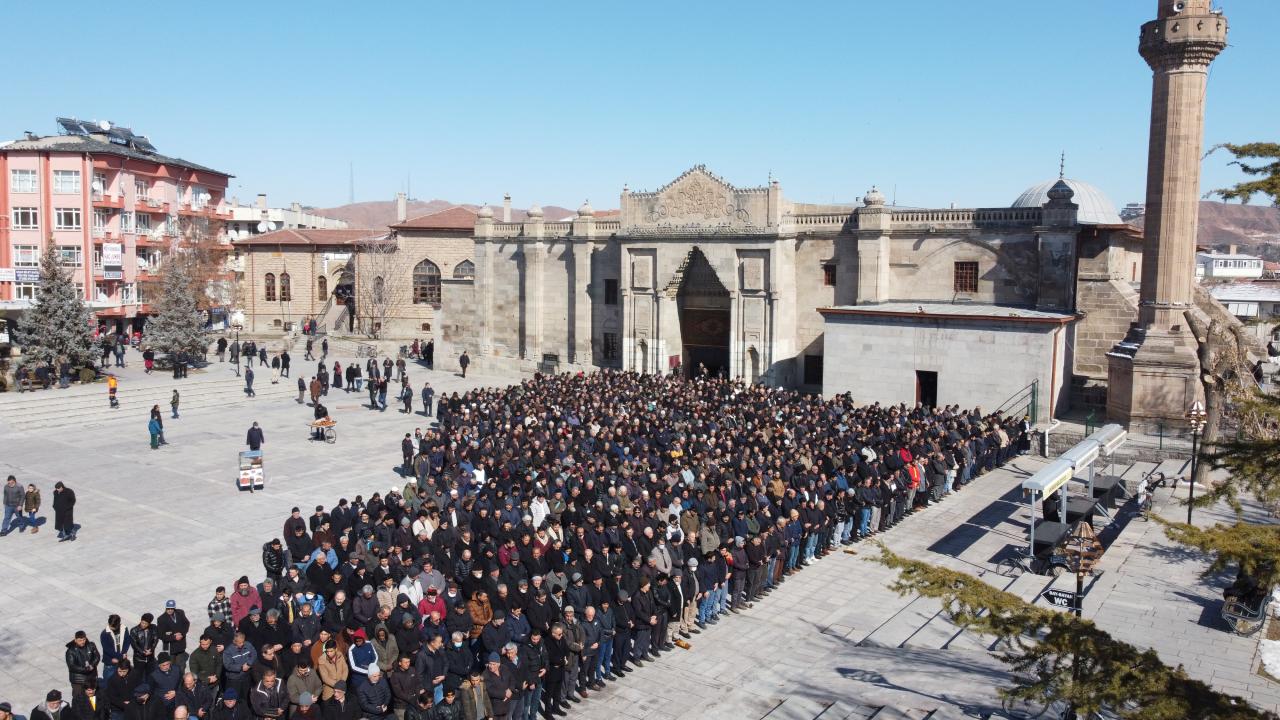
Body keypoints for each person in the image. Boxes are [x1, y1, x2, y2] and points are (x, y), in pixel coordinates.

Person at [66, 630, 102, 696]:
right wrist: (86, 669)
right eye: (80, 640)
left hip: (91, 677)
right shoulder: (71, 651)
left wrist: (92, 665)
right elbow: (72, 666)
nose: (82, 642)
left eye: (84, 639)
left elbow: (97, 657)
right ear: (75, 640)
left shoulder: (91, 645)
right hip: (78, 680)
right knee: (79, 698)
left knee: (93, 696)